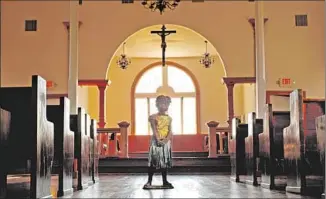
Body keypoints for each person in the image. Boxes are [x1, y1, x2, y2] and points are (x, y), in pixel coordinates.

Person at [143, 95, 173, 189]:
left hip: (165, 142)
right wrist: (158, 139)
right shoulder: (153, 117)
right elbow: (154, 129)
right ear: (157, 104)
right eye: (162, 103)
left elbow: (170, 131)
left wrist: (166, 140)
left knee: (164, 162)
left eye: (166, 103)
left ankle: (165, 181)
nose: (164, 105)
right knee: (153, 161)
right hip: (156, 142)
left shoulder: (169, 118)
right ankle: (149, 181)